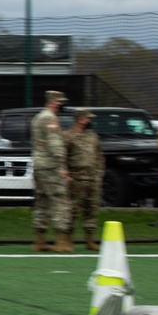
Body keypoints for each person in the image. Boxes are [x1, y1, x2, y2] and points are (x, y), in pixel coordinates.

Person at [30, 90, 73, 252]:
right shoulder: (49, 118)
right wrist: (62, 167)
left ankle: (40, 240)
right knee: (60, 200)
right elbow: (55, 144)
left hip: (40, 165)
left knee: (41, 202)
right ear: (54, 102)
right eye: (61, 102)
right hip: (51, 166)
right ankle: (61, 242)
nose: (63, 105)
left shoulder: (38, 117)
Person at [64, 107, 103, 250]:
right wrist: (66, 174)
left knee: (92, 209)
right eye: (88, 118)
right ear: (80, 119)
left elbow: (99, 155)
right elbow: (62, 157)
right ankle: (67, 239)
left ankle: (90, 240)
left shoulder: (92, 136)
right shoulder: (68, 136)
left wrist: (99, 173)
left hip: (93, 178)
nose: (90, 120)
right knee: (73, 210)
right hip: (76, 179)